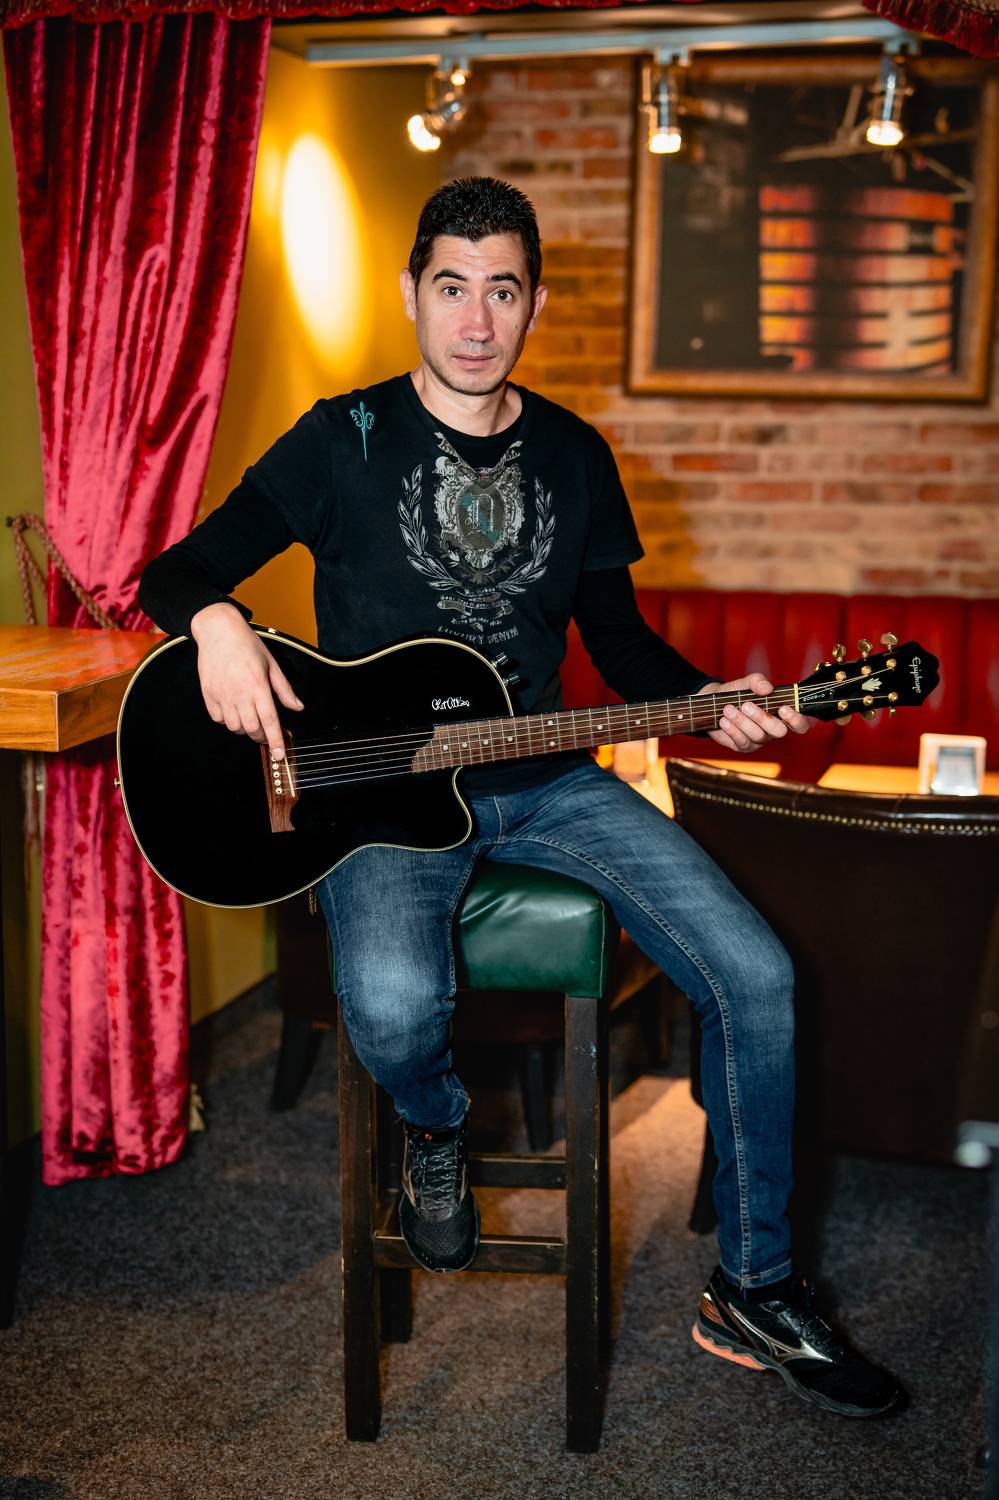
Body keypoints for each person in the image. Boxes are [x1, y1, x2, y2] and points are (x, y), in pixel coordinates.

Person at [140, 176, 902, 1420]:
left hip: (546, 781)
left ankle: (755, 1285)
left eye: (502, 291)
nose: (476, 320)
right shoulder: (342, 438)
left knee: (757, 974)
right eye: (453, 287)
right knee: (395, 1008)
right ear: (411, 293)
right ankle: (437, 1129)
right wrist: (218, 625)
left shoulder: (576, 456)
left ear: (535, 304)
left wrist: (709, 698)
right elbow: (173, 572)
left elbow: (621, 643)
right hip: (379, 795)